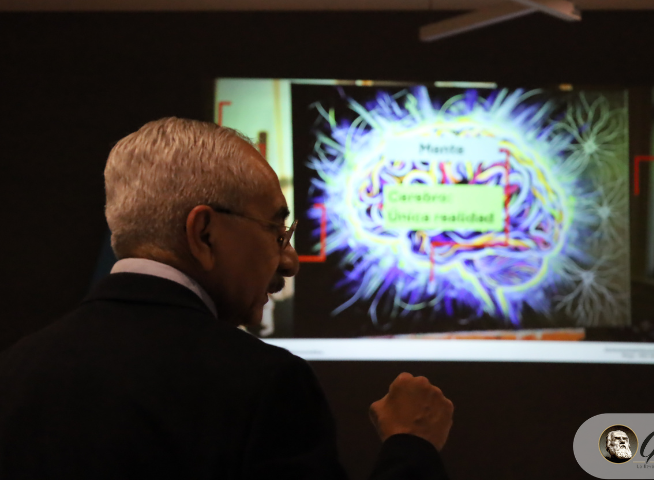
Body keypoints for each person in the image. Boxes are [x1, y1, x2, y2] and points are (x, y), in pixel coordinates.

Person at [0, 118, 454, 479]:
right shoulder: (264, 383)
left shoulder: (17, 368)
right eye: (276, 231)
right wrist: (411, 448)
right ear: (204, 233)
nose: (290, 261)